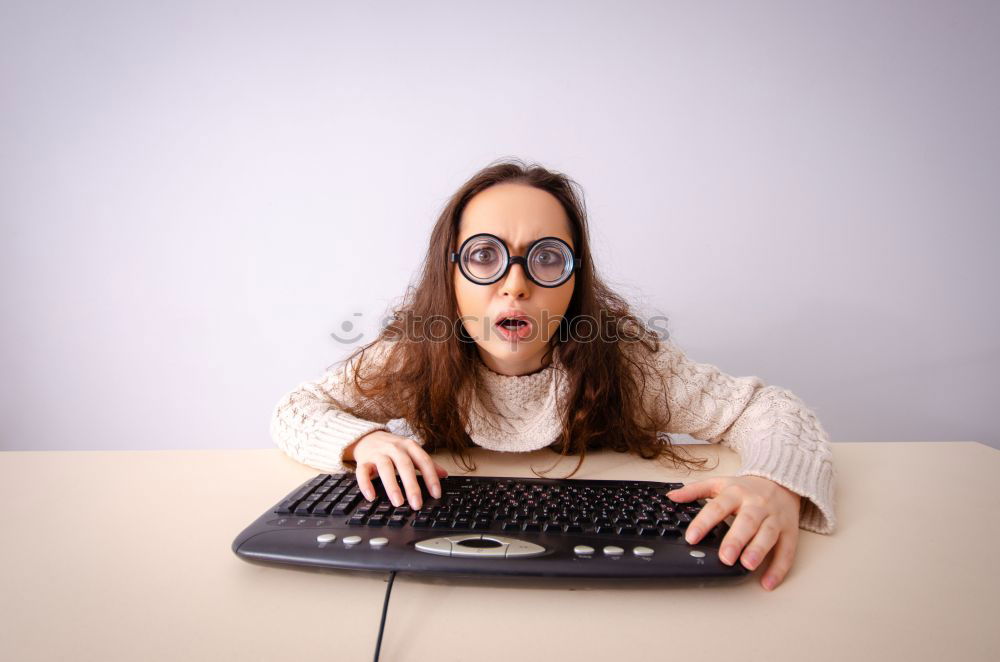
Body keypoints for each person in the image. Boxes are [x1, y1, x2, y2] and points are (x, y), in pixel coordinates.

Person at [271, 159, 837, 592]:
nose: (514, 284)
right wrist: (362, 439)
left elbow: (770, 409)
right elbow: (295, 408)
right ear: (451, 275)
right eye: (484, 256)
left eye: (545, 258)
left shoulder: (628, 365)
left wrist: (774, 483)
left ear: (573, 280)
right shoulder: (410, 357)